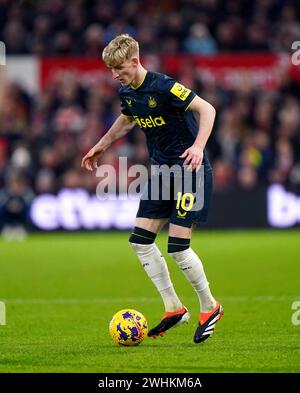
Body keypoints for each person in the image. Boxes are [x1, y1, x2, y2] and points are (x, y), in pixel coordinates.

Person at [81, 34, 223, 343]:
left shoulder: (164, 86)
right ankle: (174, 308)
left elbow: (207, 109)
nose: (115, 75)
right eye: (111, 69)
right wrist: (100, 146)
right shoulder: (129, 92)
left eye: (119, 67)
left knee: (178, 248)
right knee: (140, 242)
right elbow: (127, 120)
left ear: (134, 61)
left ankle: (210, 306)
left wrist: (198, 147)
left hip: (189, 170)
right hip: (161, 173)